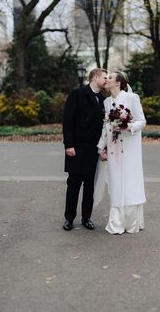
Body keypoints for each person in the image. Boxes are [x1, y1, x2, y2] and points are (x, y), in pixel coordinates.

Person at [96, 71, 146, 234]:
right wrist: (101, 147)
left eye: (110, 78)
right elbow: (105, 126)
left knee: (130, 182)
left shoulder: (132, 98)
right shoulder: (107, 102)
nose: (107, 80)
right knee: (116, 182)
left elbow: (142, 121)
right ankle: (116, 222)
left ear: (118, 83)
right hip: (113, 149)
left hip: (130, 148)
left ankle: (132, 222)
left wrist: (128, 126)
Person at [62, 68, 108, 231]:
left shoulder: (104, 100)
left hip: (93, 150)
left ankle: (86, 218)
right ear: (95, 77)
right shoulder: (77, 94)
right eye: (104, 77)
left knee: (89, 186)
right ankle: (69, 218)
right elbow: (67, 121)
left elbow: (106, 128)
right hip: (76, 147)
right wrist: (68, 145)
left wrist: (104, 148)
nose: (107, 80)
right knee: (73, 185)